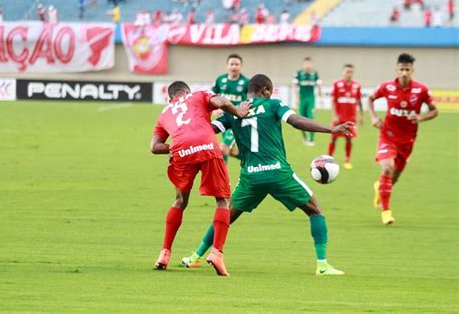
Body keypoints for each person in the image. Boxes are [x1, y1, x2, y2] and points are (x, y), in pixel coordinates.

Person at [181, 74, 354, 275]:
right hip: (277, 173)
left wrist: (184, 133)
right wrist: (331, 129)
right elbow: (296, 121)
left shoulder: (233, 111)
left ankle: (195, 257)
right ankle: (323, 266)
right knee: (315, 210)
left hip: (250, 177)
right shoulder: (273, 104)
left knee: (226, 214)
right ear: (266, 91)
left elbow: (207, 131)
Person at [151, 81, 251, 276]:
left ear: (170, 98)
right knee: (223, 201)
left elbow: (154, 147)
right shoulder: (198, 95)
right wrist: (238, 112)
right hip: (207, 146)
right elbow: (221, 102)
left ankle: (164, 253)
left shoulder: (164, 112)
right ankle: (216, 253)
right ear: (186, 91)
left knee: (180, 201)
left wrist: (177, 147)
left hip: (181, 150)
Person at [368, 53, 438, 225]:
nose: (404, 73)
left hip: (407, 141)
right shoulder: (386, 87)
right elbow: (370, 99)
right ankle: (386, 212)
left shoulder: (421, 90)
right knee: (387, 168)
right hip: (387, 136)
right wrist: (374, 117)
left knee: (394, 178)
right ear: (396, 70)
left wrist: (421, 118)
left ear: (412, 70)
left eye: (407, 69)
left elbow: (434, 110)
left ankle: (380, 186)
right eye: (401, 69)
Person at [212, 54, 250, 163]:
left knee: (223, 148)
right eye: (232, 64)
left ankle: (222, 179)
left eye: (237, 64)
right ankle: (254, 161)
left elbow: (250, 101)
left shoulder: (246, 82)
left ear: (241, 66)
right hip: (224, 119)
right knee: (231, 150)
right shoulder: (220, 80)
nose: (234, 67)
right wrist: (215, 109)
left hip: (237, 119)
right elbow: (212, 96)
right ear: (227, 66)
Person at [328, 64, 363, 170]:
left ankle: (347, 160)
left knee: (348, 139)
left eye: (351, 72)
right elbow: (333, 100)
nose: (349, 74)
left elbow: (359, 101)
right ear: (343, 72)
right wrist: (334, 115)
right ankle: (329, 159)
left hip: (351, 119)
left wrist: (362, 115)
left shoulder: (357, 86)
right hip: (339, 118)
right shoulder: (337, 85)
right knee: (333, 138)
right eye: (347, 71)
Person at [292, 57, 323, 146]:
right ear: (303, 64)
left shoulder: (315, 74)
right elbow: (294, 86)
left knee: (311, 118)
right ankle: (305, 137)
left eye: (309, 63)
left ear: (311, 64)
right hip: (302, 99)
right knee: (301, 119)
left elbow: (319, 86)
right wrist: (296, 98)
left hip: (311, 99)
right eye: (306, 63)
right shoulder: (299, 74)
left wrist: (321, 97)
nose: (307, 65)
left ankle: (311, 140)